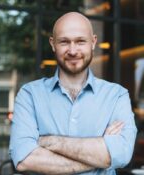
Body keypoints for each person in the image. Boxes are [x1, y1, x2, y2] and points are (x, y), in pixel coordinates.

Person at [9, 12, 137, 175]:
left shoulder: (117, 95)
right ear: (53, 44)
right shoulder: (30, 95)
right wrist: (100, 156)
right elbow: (24, 159)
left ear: (93, 42)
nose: (72, 50)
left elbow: (122, 154)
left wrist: (49, 142)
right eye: (64, 42)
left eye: (80, 41)